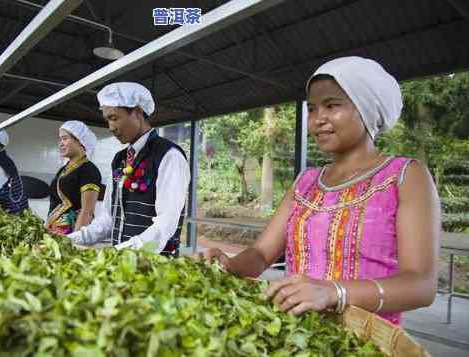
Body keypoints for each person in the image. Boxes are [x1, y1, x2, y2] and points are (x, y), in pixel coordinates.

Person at [199, 57, 440, 325]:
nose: (317, 119)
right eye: (312, 109)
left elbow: (421, 285)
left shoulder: (405, 176)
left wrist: (333, 291)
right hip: (298, 332)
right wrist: (229, 264)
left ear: (366, 109)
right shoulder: (307, 182)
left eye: (332, 106)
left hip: (367, 340)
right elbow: (261, 254)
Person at [67, 82, 190, 257]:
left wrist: (121, 252)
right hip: (121, 264)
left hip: (154, 269)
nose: (111, 127)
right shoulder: (120, 160)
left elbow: (166, 223)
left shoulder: (169, 156)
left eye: (114, 118)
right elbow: (109, 218)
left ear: (138, 112)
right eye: (107, 120)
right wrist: (70, 240)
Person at [47, 120, 103, 235]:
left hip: (72, 233)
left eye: (65, 138)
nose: (60, 143)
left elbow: (87, 211)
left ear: (80, 141)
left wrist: (74, 242)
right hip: (55, 232)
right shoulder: (63, 170)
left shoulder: (88, 170)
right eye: (60, 139)